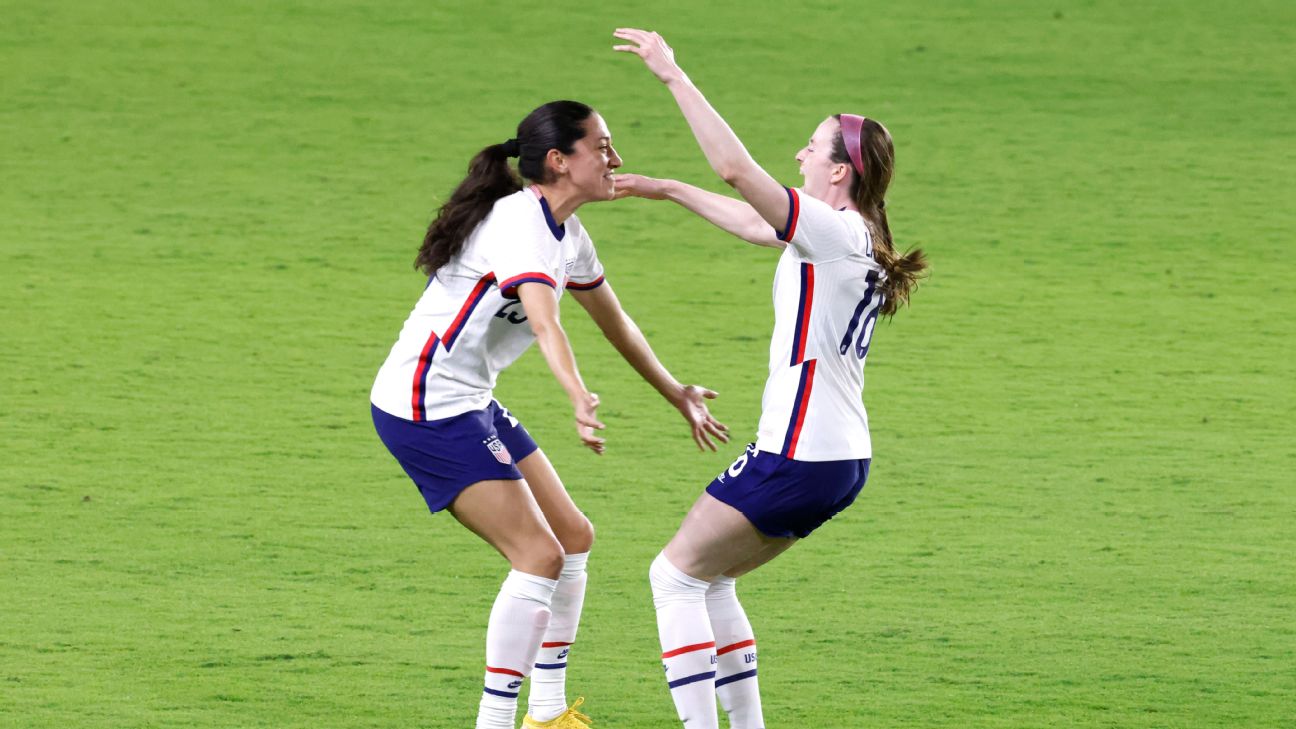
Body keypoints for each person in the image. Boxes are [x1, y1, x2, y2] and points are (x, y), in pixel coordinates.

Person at [369, 99, 729, 729]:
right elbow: (545, 322)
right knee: (539, 556)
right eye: (603, 146)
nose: (616, 158)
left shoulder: (568, 236)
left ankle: (548, 712)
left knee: (573, 537)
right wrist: (577, 396)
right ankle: (495, 722)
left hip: (468, 400)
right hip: (423, 407)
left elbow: (615, 322)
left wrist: (675, 391)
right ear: (560, 161)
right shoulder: (520, 224)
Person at [612, 30, 929, 729]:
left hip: (799, 453)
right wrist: (665, 189)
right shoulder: (854, 233)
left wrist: (672, 75)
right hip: (841, 460)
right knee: (712, 577)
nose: (799, 155)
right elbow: (755, 224)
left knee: (673, 576)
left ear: (840, 171)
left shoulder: (835, 233)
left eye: (812, 148)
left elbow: (735, 170)